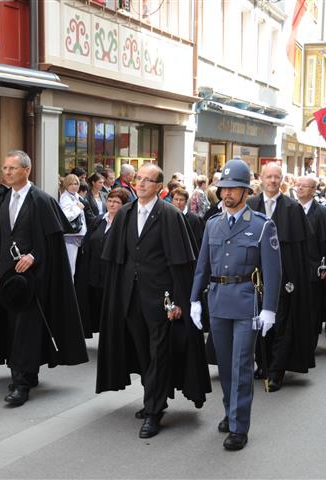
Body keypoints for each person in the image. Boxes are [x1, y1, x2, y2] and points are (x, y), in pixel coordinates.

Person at [96, 164, 211, 439]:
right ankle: (153, 396)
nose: (142, 184)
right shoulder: (125, 213)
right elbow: (118, 258)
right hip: (130, 297)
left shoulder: (170, 215)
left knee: (159, 352)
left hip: (162, 299)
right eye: (139, 179)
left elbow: (180, 263)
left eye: (148, 180)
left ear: (160, 187)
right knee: (142, 352)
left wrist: (180, 302)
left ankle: (153, 412)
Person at [0, 150, 88, 406]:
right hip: (5, 276)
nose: (6, 172)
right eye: (4, 168)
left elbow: (53, 242)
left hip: (33, 278)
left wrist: (34, 256)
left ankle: (20, 383)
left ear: (26, 170)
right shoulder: (2, 200)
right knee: (11, 327)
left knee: (26, 327)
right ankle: (27, 371)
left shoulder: (42, 200)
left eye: (12, 168)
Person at [190, 159, 281, 451]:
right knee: (225, 365)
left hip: (245, 303)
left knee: (242, 366)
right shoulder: (212, 224)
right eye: (223, 188)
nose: (227, 194)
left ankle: (240, 426)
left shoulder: (262, 225)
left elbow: (273, 271)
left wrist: (269, 308)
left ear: (245, 192)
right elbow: (202, 266)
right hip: (217, 301)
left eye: (233, 189)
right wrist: (194, 299)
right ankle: (230, 412)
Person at [247, 162, 313, 392]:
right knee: (256, 322)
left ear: (282, 180)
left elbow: (300, 249)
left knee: (281, 324)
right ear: (262, 178)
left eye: (277, 177)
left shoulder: (292, 208)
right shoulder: (250, 204)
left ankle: (276, 371)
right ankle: (263, 364)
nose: (273, 181)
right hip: (255, 278)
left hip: (283, 279)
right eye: (269, 177)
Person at [75, 188, 130, 337]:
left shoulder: (127, 224)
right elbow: (87, 243)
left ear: (124, 205)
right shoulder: (98, 220)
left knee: (111, 309)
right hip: (93, 273)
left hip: (112, 275)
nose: (111, 204)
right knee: (94, 306)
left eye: (116, 202)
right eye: (110, 200)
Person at [296, 176, 326, 345]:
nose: (300, 188)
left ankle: (310, 340)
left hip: (313, 268)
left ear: (313, 190)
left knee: (313, 307)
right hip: (293, 268)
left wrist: (325, 267)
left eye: (304, 186)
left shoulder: (324, 213)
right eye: (298, 185)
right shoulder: (289, 208)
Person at [60, 174, 87, 277]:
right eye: (71, 184)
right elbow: (66, 217)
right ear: (66, 185)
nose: (74, 186)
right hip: (71, 236)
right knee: (70, 267)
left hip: (78, 234)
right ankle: (68, 291)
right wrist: (78, 208)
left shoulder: (75, 196)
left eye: (76, 183)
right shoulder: (65, 198)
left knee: (75, 266)